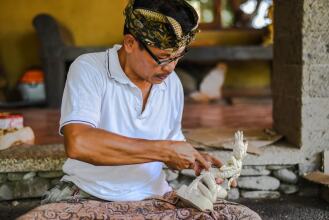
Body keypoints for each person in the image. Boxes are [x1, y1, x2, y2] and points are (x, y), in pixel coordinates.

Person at [18, 0, 261, 219]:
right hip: (89, 194)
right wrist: (165, 151)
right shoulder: (90, 69)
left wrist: (195, 161)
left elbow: (171, 144)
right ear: (130, 42)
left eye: (177, 57)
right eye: (163, 58)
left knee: (244, 217)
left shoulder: (171, 84)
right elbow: (79, 143)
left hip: (156, 198)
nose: (170, 68)